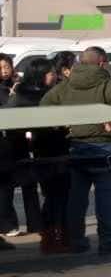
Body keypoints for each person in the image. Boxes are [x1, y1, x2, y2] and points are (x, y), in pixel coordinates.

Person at [40, 47, 111, 255]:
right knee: (105, 200)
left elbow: (45, 103)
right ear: (102, 62)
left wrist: (62, 123)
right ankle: (107, 241)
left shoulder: (67, 84)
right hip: (104, 148)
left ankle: (77, 241)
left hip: (77, 148)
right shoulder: (106, 83)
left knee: (77, 200)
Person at [8, 58, 69, 253]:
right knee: (54, 195)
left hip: (56, 150)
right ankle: (50, 237)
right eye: (51, 73)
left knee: (58, 195)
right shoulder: (24, 97)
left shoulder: (53, 93)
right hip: (41, 153)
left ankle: (55, 236)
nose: (54, 76)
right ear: (40, 74)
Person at [0, 53, 19, 237]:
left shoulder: (16, 85)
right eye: (0, 68)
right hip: (3, 143)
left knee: (7, 186)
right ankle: (7, 224)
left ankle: (8, 223)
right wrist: (12, 97)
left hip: (11, 143)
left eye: (6, 66)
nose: (4, 71)